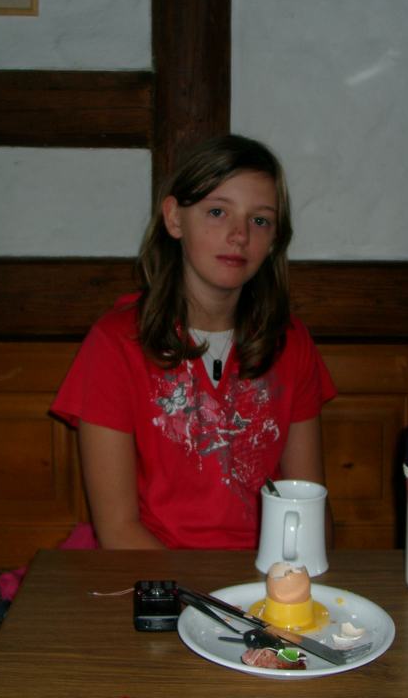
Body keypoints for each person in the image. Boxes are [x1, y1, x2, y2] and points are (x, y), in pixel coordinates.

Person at [50, 134, 336, 549]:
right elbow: (118, 531)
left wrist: (284, 581)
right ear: (174, 219)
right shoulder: (115, 343)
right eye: (218, 212)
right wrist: (196, 592)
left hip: (264, 575)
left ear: (275, 238)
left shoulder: (291, 342)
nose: (239, 235)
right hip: (152, 571)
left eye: (260, 220)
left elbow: (310, 511)